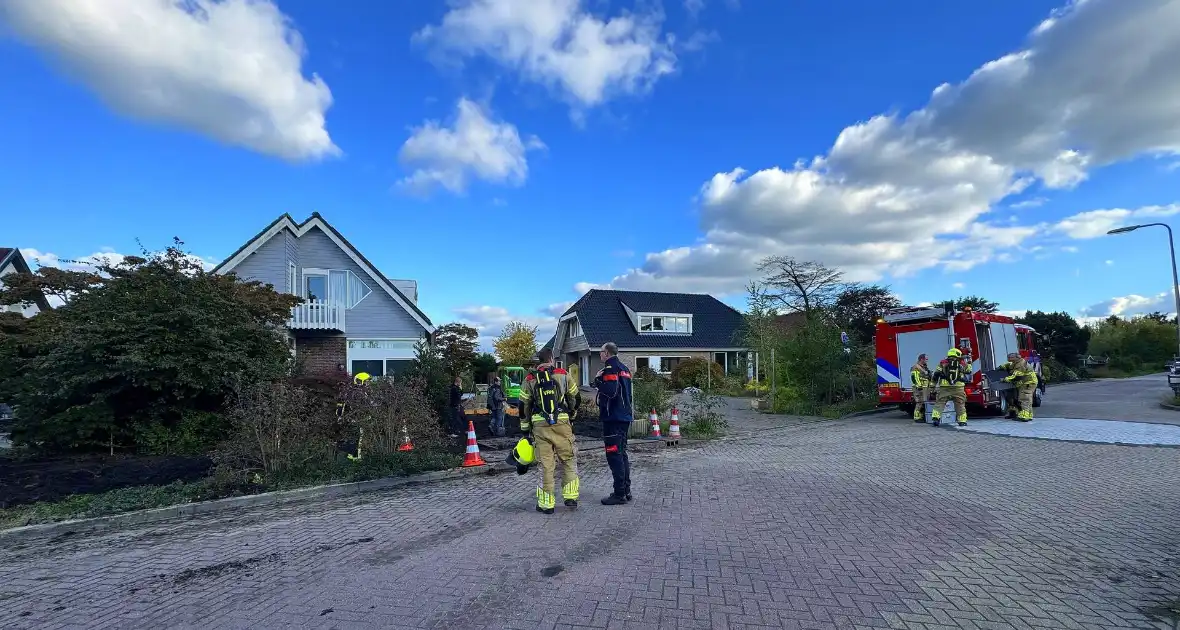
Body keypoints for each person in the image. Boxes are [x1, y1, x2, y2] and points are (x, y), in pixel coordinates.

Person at [519, 349, 581, 514]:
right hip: (562, 422)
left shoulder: (530, 379)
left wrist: (525, 429)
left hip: (540, 425)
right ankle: (570, 497)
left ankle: (546, 505)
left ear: (538, 361)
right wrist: (572, 415)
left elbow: (523, 406)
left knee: (546, 465)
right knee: (568, 459)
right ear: (552, 359)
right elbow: (576, 397)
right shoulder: (563, 374)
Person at [594, 342, 634, 505]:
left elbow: (610, 392)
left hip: (613, 418)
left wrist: (597, 381)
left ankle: (619, 494)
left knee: (614, 455)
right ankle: (626, 490)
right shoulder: (625, 369)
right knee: (622, 453)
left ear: (607, 353)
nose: (600, 355)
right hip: (624, 417)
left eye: (601, 352)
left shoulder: (610, 369)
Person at [930, 348, 970, 427]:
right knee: (960, 404)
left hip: (944, 387)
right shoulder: (961, 362)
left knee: (940, 403)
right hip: (958, 387)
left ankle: (936, 418)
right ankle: (962, 421)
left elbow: (936, 374)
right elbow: (969, 370)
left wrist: (932, 386)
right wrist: (968, 363)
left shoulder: (942, 363)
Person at [999, 352, 1038, 422]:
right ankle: (1029, 415)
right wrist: (1002, 367)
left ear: (1016, 358)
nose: (1008, 359)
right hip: (1026, 383)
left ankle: (1025, 416)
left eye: (1010, 357)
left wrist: (1004, 379)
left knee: (1024, 398)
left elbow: (1016, 376)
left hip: (1028, 382)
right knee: (1027, 399)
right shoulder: (1016, 362)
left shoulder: (1021, 364)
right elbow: (1010, 366)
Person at [909, 353, 931, 422]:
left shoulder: (923, 367)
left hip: (924, 388)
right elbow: (914, 377)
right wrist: (919, 386)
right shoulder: (916, 367)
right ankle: (916, 417)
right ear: (922, 359)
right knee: (919, 402)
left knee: (924, 402)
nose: (927, 360)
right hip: (919, 388)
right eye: (926, 359)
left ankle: (921, 416)